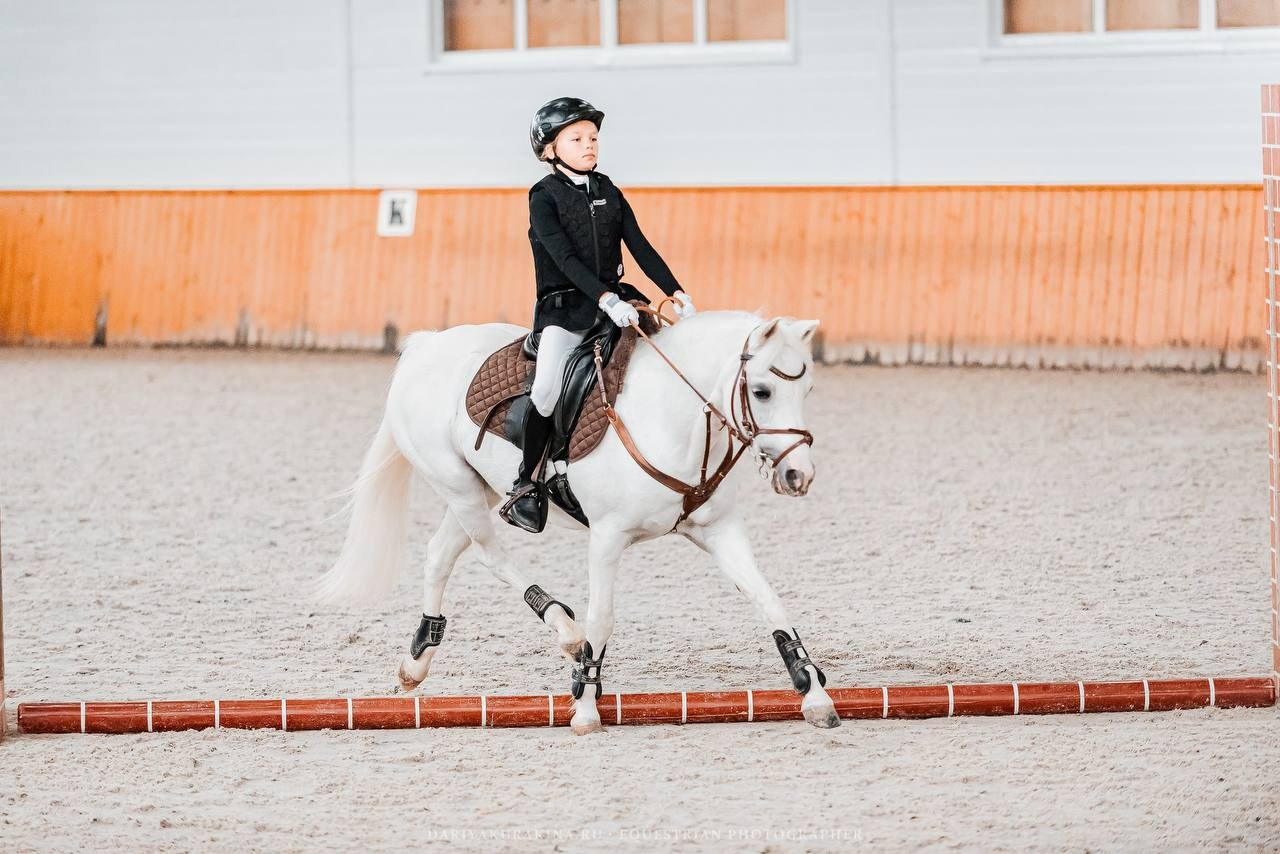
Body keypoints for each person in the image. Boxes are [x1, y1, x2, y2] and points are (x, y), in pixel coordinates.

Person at [499, 96, 696, 533]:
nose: (589, 145)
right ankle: (526, 483)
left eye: (593, 138)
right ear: (549, 149)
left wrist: (675, 291)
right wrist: (604, 298)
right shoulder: (543, 197)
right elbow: (564, 258)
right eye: (577, 139)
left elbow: (640, 246)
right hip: (565, 308)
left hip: (620, 302)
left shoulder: (608, 189)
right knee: (546, 389)